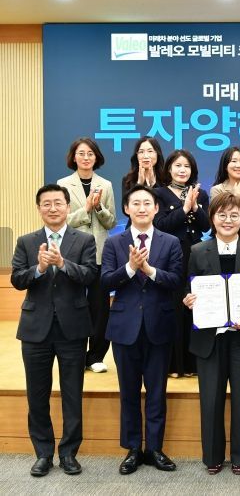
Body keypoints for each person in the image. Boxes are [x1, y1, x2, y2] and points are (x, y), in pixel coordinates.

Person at [11, 184, 97, 477]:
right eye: (46, 203)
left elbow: (90, 276)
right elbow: (17, 280)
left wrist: (62, 263)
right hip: (35, 329)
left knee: (72, 393)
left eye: (58, 203)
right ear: (39, 209)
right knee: (37, 395)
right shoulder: (26, 241)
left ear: (68, 207)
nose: (52, 208)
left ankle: (69, 453)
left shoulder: (84, 240)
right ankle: (43, 454)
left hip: (73, 328)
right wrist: (37, 268)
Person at [102, 185, 184, 475]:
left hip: (159, 326)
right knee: (128, 392)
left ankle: (155, 449)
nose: (141, 208)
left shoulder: (170, 242)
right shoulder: (114, 243)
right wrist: (129, 267)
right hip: (124, 328)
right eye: (135, 203)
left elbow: (176, 280)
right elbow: (105, 282)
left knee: (157, 392)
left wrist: (149, 270)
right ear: (126, 209)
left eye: (147, 203)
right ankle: (133, 449)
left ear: (156, 208)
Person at [182, 192, 240, 475]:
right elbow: (188, 287)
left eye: (234, 215)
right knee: (211, 400)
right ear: (212, 218)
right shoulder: (197, 251)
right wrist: (188, 299)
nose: (228, 220)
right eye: (222, 215)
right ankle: (213, 456)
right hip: (210, 338)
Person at [57, 138, 116, 373]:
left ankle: (96, 356)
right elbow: (62, 220)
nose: (86, 157)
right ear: (74, 157)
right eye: (81, 153)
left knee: (100, 308)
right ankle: (75, 354)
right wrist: (87, 209)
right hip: (72, 254)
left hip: (100, 253)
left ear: (96, 157)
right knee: (72, 305)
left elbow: (111, 222)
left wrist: (99, 207)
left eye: (90, 153)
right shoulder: (63, 184)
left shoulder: (106, 185)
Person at [154, 149, 211, 378]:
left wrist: (195, 207)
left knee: (193, 306)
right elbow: (160, 224)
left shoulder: (200, 193)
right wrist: (185, 208)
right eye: (178, 165)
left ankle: (191, 364)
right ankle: (172, 365)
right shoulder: (158, 193)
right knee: (172, 307)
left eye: (187, 166)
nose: (182, 170)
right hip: (168, 254)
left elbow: (206, 226)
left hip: (194, 253)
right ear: (169, 169)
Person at [210, 145, 240, 241]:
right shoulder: (217, 190)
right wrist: (237, 195)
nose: (238, 165)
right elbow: (219, 216)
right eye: (234, 161)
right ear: (225, 166)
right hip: (224, 238)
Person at [121, 136, 165, 226]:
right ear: (136, 155)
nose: (145, 156)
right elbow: (126, 210)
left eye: (150, 151)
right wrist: (139, 185)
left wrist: (154, 186)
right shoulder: (128, 179)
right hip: (135, 228)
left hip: (161, 229)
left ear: (157, 154)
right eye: (141, 152)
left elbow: (165, 209)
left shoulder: (166, 179)